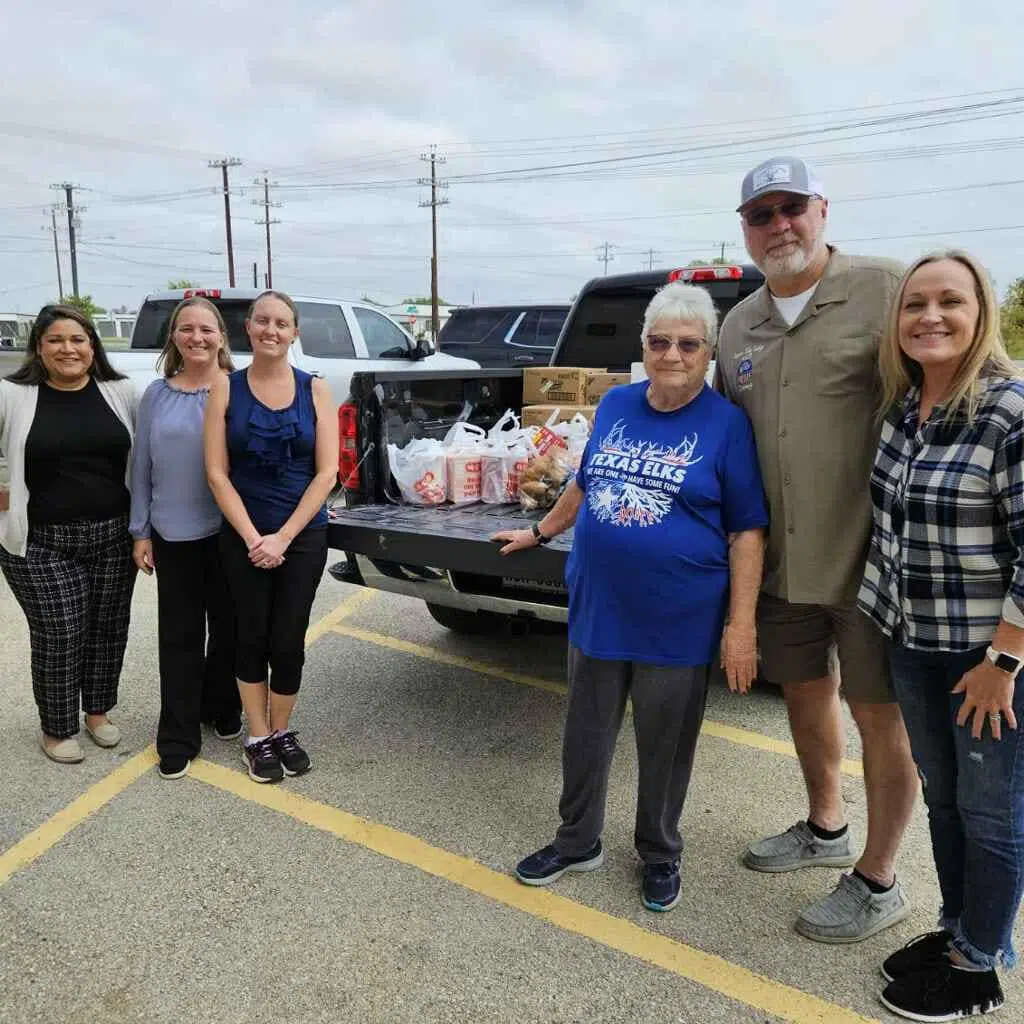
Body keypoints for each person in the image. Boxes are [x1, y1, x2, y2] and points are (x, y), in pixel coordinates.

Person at [494, 282, 768, 912]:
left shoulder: (726, 425)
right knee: (585, 732)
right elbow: (585, 485)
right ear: (643, 345)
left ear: (708, 352)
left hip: (679, 616)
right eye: (659, 341)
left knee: (665, 741)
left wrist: (741, 626)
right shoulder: (616, 405)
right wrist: (538, 530)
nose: (672, 354)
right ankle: (577, 839)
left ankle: (660, 851)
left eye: (688, 344)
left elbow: (746, 530)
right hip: (600, 604)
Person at [715, 155, 920, 943]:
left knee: (879, 718)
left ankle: (878, 879)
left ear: (822, 210)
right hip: (781, 568)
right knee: (803, 694)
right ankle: (824, 825)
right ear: (745, 230)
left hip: (869, 564)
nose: (779, 226)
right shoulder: (739, 324)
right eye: (761, 215)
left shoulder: (884, 289)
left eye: (791, 208)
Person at [858, 251, 1022, 1020]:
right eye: (915, 303)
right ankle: (959, 928)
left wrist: (1004, 659)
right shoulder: (903, 406)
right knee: (947, 803)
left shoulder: (1008, 412)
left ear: (979, 311)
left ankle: (979, 964)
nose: (930, 316)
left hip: (982, 657)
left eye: (949, 301)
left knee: (993, 813)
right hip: (912, 641)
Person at [204, 290, 338, 783]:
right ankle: (256, 736)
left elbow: (327, 474)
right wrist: (253, 536)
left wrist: (282, 537)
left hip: (301, 534)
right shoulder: (225, 388)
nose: (271, 330)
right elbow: (217, 474)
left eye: (282, 323)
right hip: (242, 533)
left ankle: (282, 729)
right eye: (262, 321)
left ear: (294, 332)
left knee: (288, 639)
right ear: (249, 328)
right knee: (250, 634)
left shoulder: (316, 389)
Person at [0, 304, 137, 763]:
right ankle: (56, 728)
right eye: (56, 340)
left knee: (107, 629)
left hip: (114, 535)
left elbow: (147, 458)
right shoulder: (11, 395)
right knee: (60, 631)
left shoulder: (120, 392)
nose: (68, 349)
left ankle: (97, 713)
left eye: (78, 339)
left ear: (92, 346)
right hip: (39, 542)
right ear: (38, 347)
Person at [130, 296, 241, 780]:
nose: (197, 337)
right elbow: (142, 468)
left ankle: (220, 704)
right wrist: (140, 531)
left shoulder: (240, 391)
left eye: (207, 329)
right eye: (186, 329)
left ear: (221, 337)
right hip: (172, 533)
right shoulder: (156, 394)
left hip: (230, 531)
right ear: (173, 336)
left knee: (231, 629)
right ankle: (177, 733)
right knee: (179, 637)